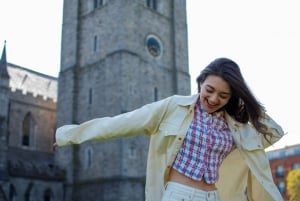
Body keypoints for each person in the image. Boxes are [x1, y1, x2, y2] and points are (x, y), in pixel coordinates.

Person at [55, 57, 284, 201]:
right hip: (178, 195)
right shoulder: (174, 107)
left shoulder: (236, 125)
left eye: (223, 95)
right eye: (209, 90)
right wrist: (69, 135)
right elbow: (120, 123)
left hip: (213, 196)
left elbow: (273, 132)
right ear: (201, 82)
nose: (214, 98)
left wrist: (242, 102)